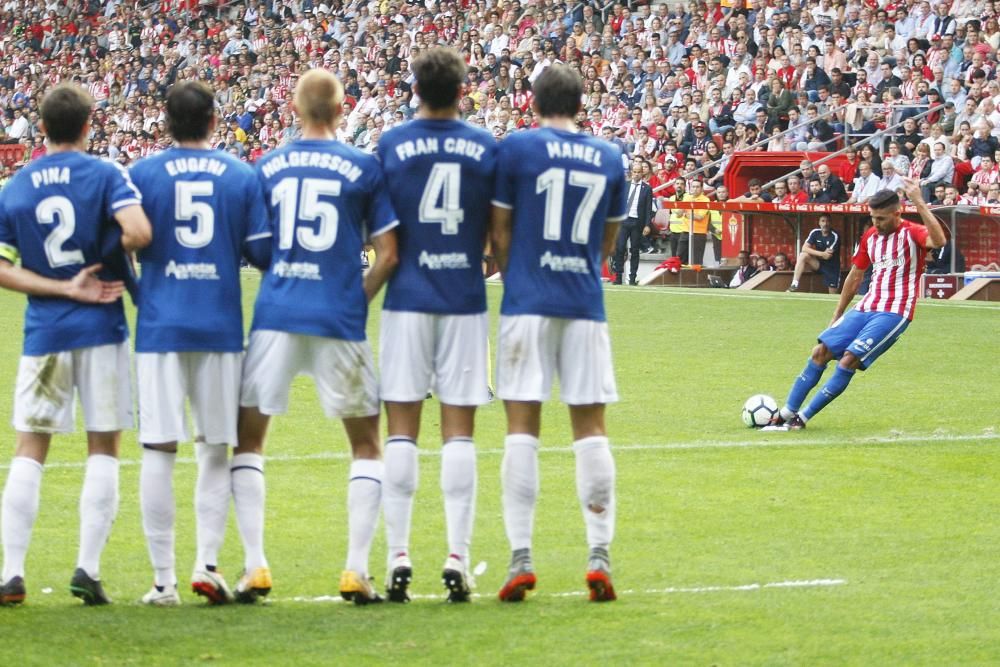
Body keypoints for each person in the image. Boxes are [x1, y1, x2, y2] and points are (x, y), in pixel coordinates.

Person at [237, 69, 400, 605]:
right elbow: (389, 253)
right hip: (338, 318)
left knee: (249, 442)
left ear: (293, 106)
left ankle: (255, 567)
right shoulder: (363, 166)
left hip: (277, 313)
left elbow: (257, 248)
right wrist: (358, 297)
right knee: (366, 445)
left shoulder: (268, 166)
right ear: (341, 107)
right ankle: (356, 570)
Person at [0, 84, 152, 606]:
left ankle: (11, 574)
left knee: (30, 447)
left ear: (40, 128)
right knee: (103, 446)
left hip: (46, 331)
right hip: (102, 328)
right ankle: (87, 569)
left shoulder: (15, 187)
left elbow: (1, 267)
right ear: (89, 123)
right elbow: (138, 231)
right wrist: (107, 249)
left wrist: (62, 286)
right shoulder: (107, 174)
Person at [128, 81, 271, 607]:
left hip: (160, 326)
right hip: (218, 328)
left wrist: (137, 290)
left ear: (166, 121)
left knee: (158, 450)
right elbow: (260, 252)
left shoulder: (141, 174)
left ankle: (163, 582)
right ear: (214, 119)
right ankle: (206, 566)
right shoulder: (239, 174)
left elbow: (117, 239)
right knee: (215, 448)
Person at [489, 64, 625, 603]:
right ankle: (599, 555)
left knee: (522, 426)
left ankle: (521, 557)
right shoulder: (610, 157)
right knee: (590, 426)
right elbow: (609, 245)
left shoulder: (517, 149)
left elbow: (498, 231)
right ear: (581, 100)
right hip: (582, 301)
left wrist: (515, 266)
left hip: (526, 300)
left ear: (534, 100)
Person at [375, 47, 496, 603]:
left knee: (401, 428)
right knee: (459, 432)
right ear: (462, 88)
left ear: (416, 89)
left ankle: (398, 554)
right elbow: (497, 240)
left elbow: (384, 238)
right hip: (464, 297)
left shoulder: (392, 144)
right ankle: (457, 556)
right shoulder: (483, 147)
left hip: (407, 297)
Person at [767, 179, 946, 430]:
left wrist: (919, 202)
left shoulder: (912, 232)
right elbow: (855, 275)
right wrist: (838, 314)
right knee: (820, 352)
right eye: (873, 217)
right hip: (865, 306)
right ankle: (785, 413)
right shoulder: (871, 236)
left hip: (894, 311)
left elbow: (938, 242)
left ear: (897, 213)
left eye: (881, 218)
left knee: (848, 359)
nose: (876, 223)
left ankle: (802, 419)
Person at [613, 160, 653, 284]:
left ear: (643, 173)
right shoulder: (625, 185)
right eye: (634, 172)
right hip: (623, 221)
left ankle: (632, 278)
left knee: (634, 250)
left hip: (637, 223)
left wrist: (647, 225)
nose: (636, 174)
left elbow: (648, 208)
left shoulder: (647, 188)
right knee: (619, 248)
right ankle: (618, 277)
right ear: (631, 173)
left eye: (638, 172)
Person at [788, 214, 841, 293]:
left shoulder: (835, 236)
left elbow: (827, 256)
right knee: (803, 255)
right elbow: (804, 248)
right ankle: (794, 284)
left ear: (831, 223)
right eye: (823, 221)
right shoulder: (815, 232)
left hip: (832, 268)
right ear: (819, 223)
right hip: (818, 264)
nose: (825, 224)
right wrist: (822, 253)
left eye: (827, 221)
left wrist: (817, 253)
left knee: (833, 296)